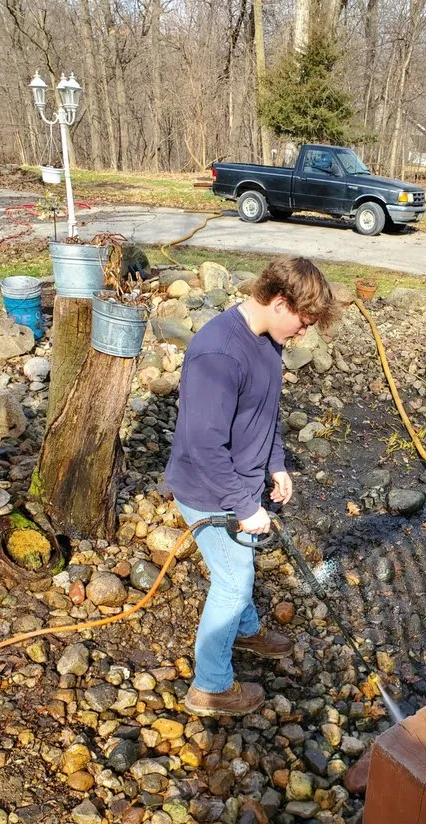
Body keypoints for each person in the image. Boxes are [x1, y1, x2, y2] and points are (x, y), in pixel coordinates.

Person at [165, 256, 338, 718]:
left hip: (239, 485)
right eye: (303, 322)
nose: (304, 333)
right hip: (207, 491)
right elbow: (203, 444)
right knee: (232, 580)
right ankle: (210, 688)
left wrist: (276, 464)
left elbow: (265, 411)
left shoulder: (267, 341)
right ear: (280, 303)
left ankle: (245, 630)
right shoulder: (219, 353)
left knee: (241, 561)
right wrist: (244, 504)